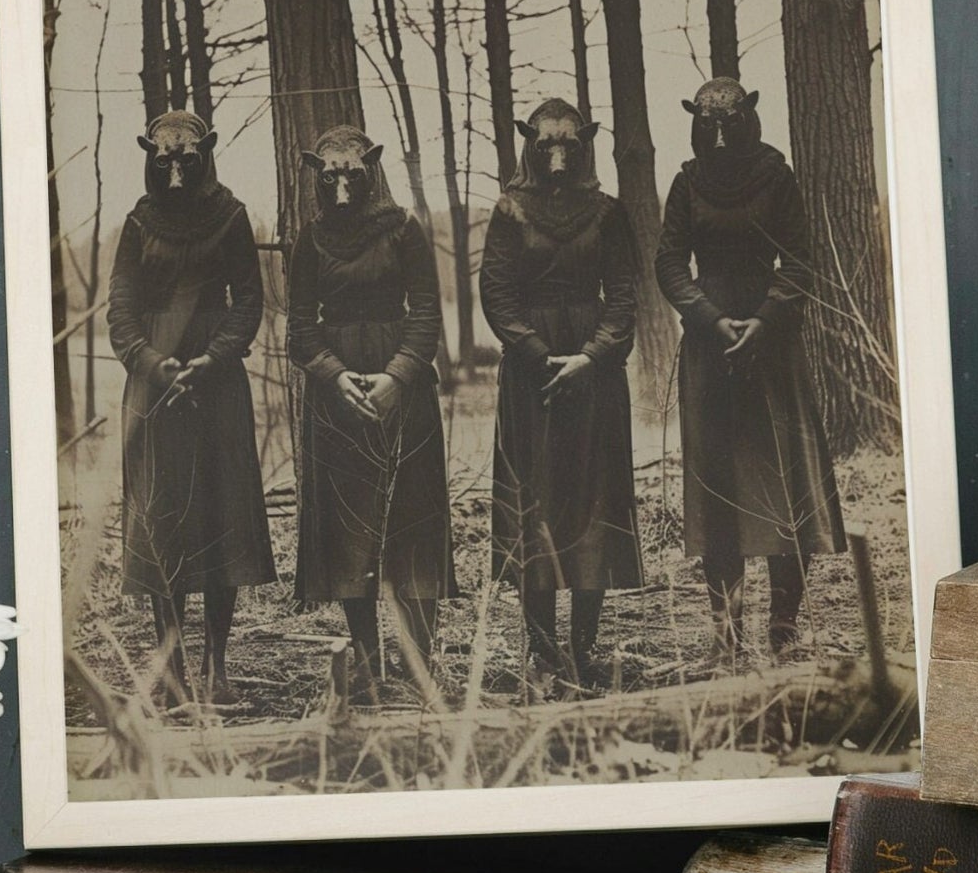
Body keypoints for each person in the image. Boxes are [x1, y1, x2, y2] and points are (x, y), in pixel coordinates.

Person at [653, 78, 846, 666]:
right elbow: (669, 262)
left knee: (783, 480)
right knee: (720, 489)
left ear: (748, 120)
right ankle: (726, 632)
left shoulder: (776, 176)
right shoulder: (687, 182)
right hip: (712, 350)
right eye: (705, 126)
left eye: (727, 126)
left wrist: (765, 318)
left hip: (772, 346)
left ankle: (783, 627)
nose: (715, 138)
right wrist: (710, 319)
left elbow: (800, 258)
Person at [107, 110, 274, 705]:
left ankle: (217, 666)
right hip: (154, 388)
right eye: (165, 161)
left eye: (187, 160)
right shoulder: (138, 222)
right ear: (151, 159)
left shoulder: (229, 217)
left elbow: (249, 300)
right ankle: (171, 667)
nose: (176, 173)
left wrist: (215, 359)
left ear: (205, 155)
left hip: (216, 386)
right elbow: (120, 314)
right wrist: (153, 364)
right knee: (163, 520)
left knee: (221, 517)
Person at [479, 98, 640, 694]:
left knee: (592, 502)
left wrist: (592, 357)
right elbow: (496, 294)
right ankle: (542, 652)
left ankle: (584, 648)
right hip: (532, 378)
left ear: (583, 144)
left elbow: (623, 295)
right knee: (535, 506)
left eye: (567, 144)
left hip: (593, 376)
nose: (555, 156)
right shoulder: (509, 211)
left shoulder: (607, 212)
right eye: (544, 143)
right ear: (529, 144)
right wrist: (534, 352)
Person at [287, 125, 453, 705]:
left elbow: (428, 311)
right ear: (316, 175)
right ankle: (365, 660)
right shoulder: (310, 239)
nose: (339, 187)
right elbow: (299, 325)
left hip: (399, 388)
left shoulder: (403, 229)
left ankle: (420, 661)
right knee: (348, 526)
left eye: (350, 174)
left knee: (412, 515)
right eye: (327, 176)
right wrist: (332, 375)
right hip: (337, 395)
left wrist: (399, 375)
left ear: (370, 171)